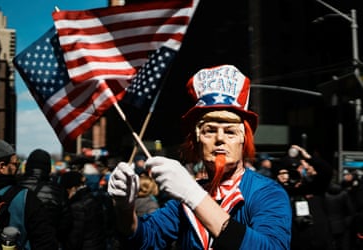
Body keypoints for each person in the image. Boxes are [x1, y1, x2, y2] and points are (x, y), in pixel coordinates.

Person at [108, 64, 292, 249]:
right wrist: (124, 208)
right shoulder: (184, 198)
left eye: (230, 132)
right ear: (196, 141)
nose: (220, 139)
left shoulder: (267, 193)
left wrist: (195, 197)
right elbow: (145, 239)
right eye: (210, 131)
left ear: (244, 141)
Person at [0, 139, 58, 249]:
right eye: (15, 164)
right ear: (1, 167)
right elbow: (46, 243)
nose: (17, 168)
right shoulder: (25, 198)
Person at [278, 144, 334, 250]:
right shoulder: (286, 190)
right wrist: (281, 182)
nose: (302, 170)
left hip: (319, 237)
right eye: (298, 168)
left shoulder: (315, 186)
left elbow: (327, 171)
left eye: (304, 167)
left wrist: (308, 158)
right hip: (296, 239)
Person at [18, 148, 71, 248]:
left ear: (28, 166)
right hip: (48, 244)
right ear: (48, 168)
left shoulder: (16, 186)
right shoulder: (57, 191)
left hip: (20, 243)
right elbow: (66, 223)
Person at [59, 170, 106, 250]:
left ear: (72, 188)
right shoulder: (93, 199)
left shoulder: (77, 207)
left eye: (66, 190)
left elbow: (75, 239)